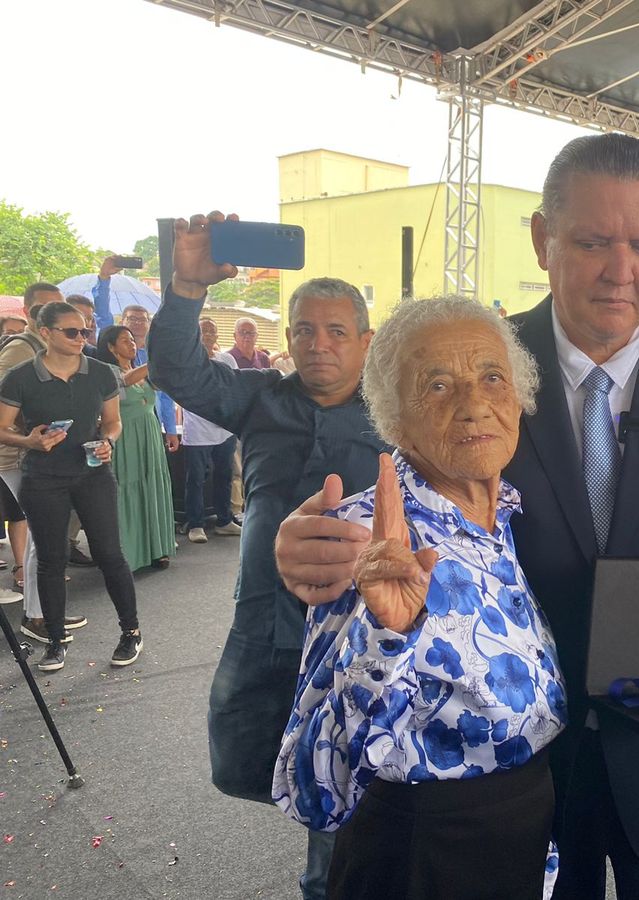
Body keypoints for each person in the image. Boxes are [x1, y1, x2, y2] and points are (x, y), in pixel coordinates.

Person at [275, 133, 639, 900]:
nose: (621, 272)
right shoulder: (474, 359)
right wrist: (301, 544)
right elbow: (389, 489)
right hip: (522, 789)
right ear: (543, 239)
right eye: (592, 241)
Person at [274, 298, 566, 899]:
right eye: (438, 385)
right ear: (394, 418)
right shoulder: (370, 536)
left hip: (519, 824)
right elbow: (316, 773)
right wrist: (388, 637)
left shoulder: (501, 510)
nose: (475, 405)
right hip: (422, 850)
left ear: (518, 397)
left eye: (492, 377)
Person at [147, 213, 385, 900]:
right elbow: (175, 368)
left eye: (337, 331)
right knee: (241, 758)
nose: (319, 345)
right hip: (264, 618)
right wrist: (187, 289)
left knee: (341, 793)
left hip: (354, 632)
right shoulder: (257, 400)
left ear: (366, 343)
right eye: (304, 330)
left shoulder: (394, 418)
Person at [0, 302, 142, 672]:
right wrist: (29, 441)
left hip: (92, 473)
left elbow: (113, 421)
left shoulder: (99, 373)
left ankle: (131, 632)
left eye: (85, 331)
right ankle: (55, 640)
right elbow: (1, 427)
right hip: (42, 478)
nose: (82, 338)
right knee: (50, 560)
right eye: (71, 331)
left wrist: (108, 440)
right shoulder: (19, 376)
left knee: (110, 555)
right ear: (45, 332)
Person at [0, 286, 88, 641]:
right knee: (41, 537)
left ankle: (43, 612)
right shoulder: (21, 348)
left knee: (44, 536)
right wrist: (28, 434)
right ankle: (37, 617)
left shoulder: (43, 348)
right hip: (16, 457)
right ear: (29, 310)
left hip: (36, 454)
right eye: (43, 307)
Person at [94, 325, 175, 571]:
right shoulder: (107, 370)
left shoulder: (137, 367)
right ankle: (128, 552)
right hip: (126, 436)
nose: (131, 344)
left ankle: (157, 547)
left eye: (132, 339)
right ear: (110, 346)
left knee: (152, 487)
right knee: (128, 489)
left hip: (150, 434)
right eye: (124, 340)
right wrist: (154, 361)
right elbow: (125, 381)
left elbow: (159, 388)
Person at [183, 319, 240, 544]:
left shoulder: (227, 359)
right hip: (197, 431)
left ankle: (224, 520)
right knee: (195, 479)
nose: (208, 335)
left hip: (225, 430)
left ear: (218, 336)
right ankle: (196, 524)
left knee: (225, 475)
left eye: (212, 331)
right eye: (203, 330)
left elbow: (236, 388)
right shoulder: (186, 362)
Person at [119, 304, 181, 455]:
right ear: (122, 321)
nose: (138, 323)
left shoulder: (155, 353)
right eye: (132, 318)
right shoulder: (114, 355)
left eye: (143, 319)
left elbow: (166, 395)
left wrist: (170, 429)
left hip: (153, 422)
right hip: (125, 425)